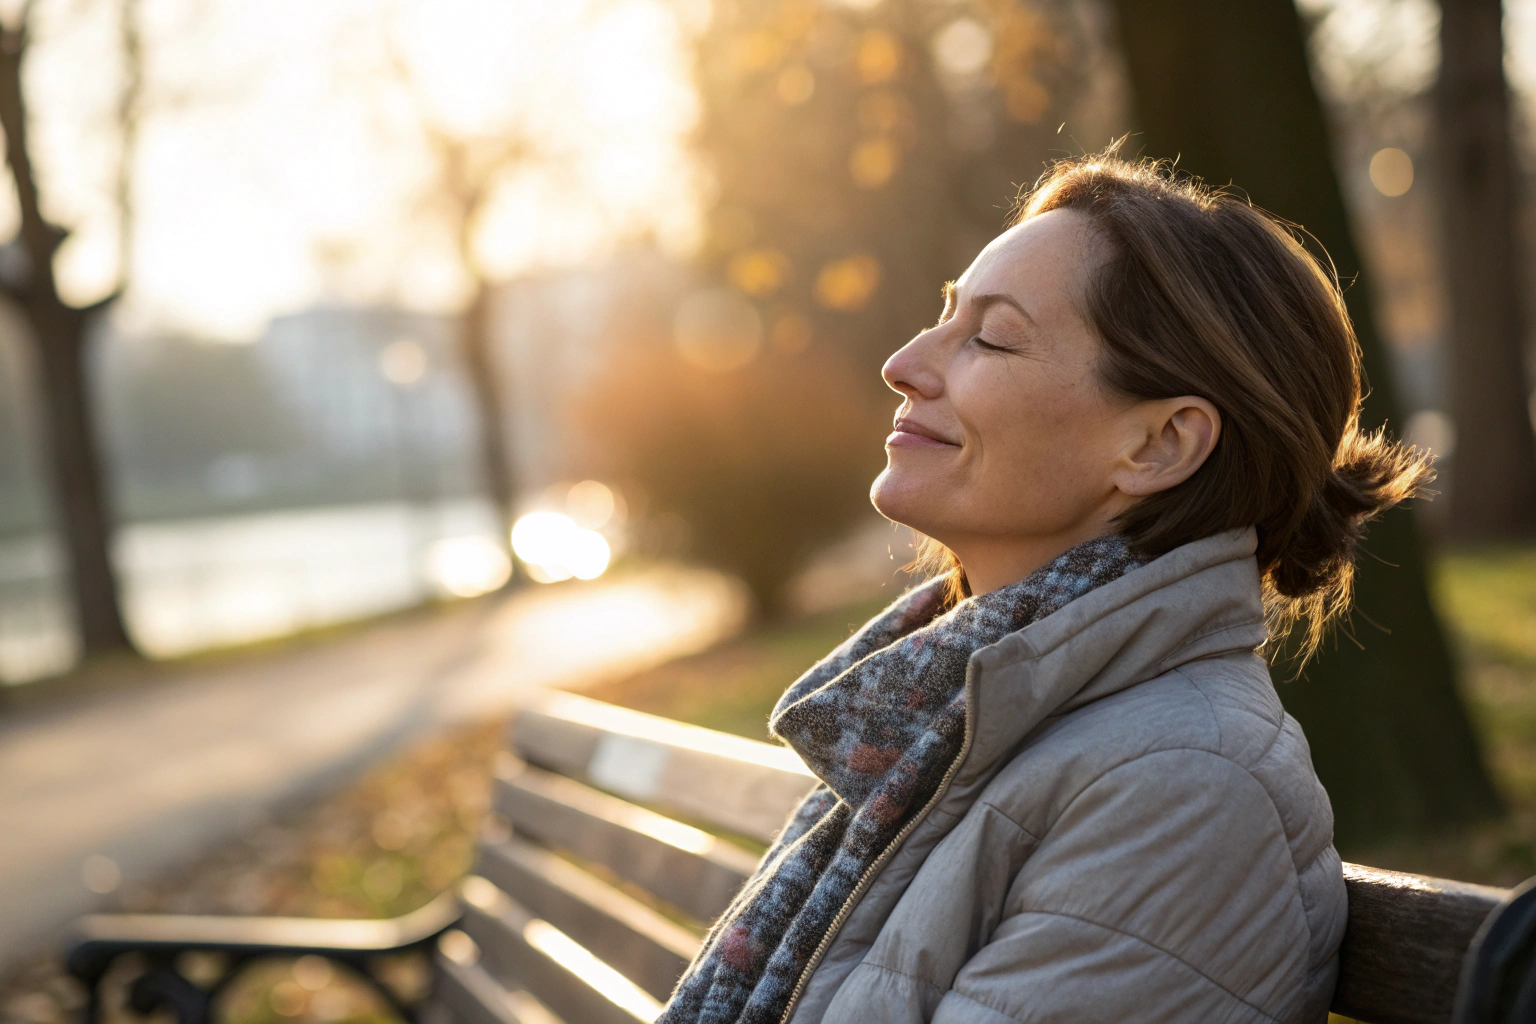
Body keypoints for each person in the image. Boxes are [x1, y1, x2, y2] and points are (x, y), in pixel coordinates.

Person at [659, 152, 1428, 1024]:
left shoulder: (1185, 793)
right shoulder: (944, 722)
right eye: (944, 316)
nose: (904, 362)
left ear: (1159, 446)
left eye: (990, 336)